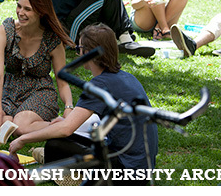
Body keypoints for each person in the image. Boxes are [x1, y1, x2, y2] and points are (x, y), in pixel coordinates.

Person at [9, 23, 158, 186]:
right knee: (63, 139)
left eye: (79, 48)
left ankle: (69, 177)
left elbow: (66, 130)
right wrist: (66, 122)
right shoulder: (127, 77)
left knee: (55, 145)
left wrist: (23, 139)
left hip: (123, 172)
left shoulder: (99, 85)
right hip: (143, 170)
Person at [0, 0, 75, 137]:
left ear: (41, 12)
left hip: (39, 92)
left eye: (27, 9)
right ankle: (20, 122)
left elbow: (62, 82)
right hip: (10, 91)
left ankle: (63, 126)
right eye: (19, 6)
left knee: (21, 126)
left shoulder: (52, 40)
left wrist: (68, 107)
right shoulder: (5, 31)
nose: (20, 12)